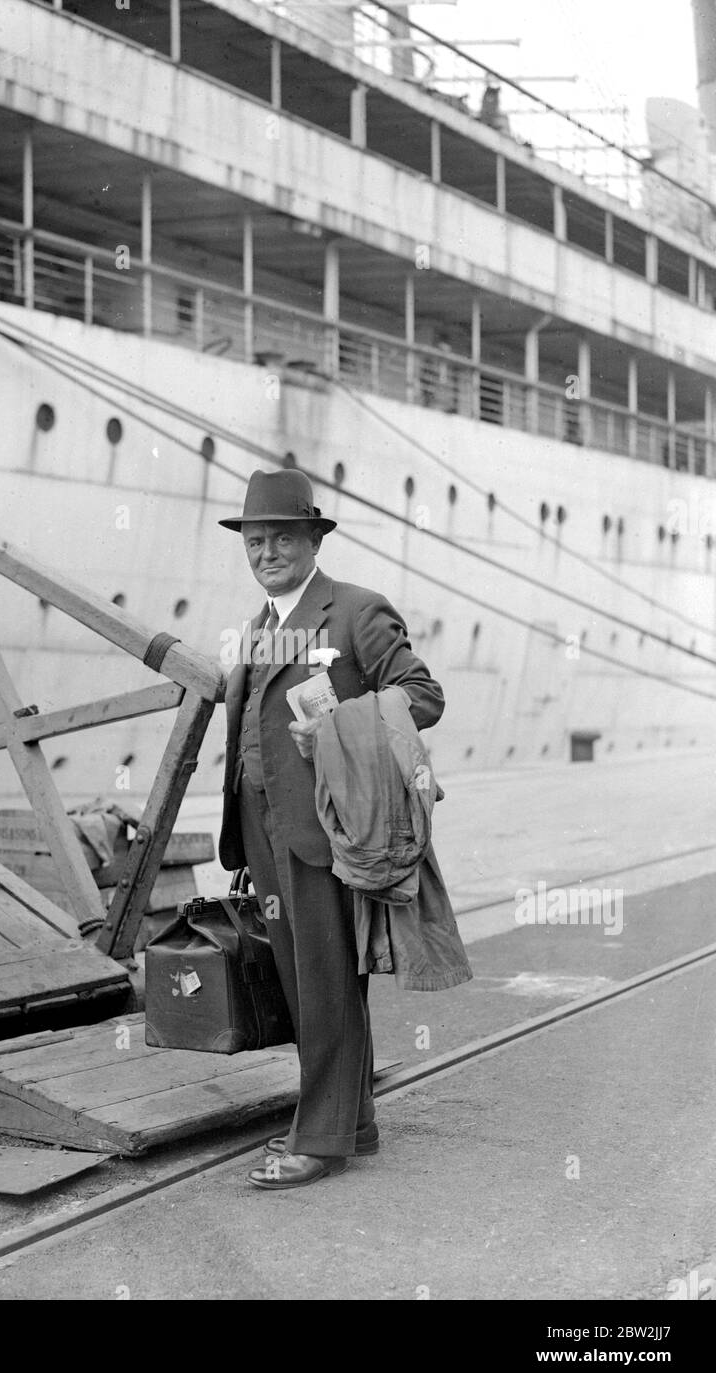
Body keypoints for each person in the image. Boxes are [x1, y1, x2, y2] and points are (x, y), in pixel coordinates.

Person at [217, 467, 470, 1190]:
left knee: (326, 981)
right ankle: (346, 1119)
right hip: (265, 831)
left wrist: (339, 729)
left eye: (281, 539)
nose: (266, 553)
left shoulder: (354, 611)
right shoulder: (258, 626)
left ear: (311, 540)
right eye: (254, 540)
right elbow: (250, 731)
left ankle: (321, 1138)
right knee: (304, 982)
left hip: (330, 829)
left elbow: (422, 696)